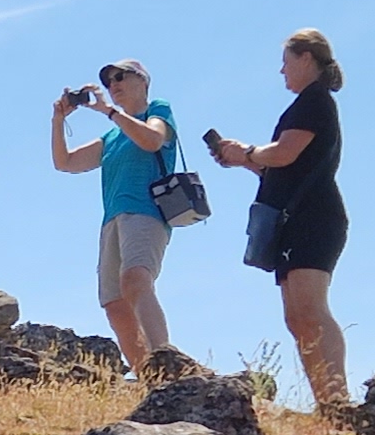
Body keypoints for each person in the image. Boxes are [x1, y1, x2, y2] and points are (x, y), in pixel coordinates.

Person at [204, 27, 351, 405]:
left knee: (310, 309)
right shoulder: (306, 104)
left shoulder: (315, 101)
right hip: (296, 218)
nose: (281, 71)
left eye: (286, 62)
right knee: (297, 315)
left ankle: (337, 400)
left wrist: (249, 151)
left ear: (306, 58)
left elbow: (284, 154)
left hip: (314, 218)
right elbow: (283, 168)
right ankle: (328, 403)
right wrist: (242, 159)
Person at [50, 59, 180, 376]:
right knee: (114, 302)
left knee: (136, 279)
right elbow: (64, 162)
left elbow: (152, 140)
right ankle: (148, 377)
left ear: (143, 81)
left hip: (146, 211)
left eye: (121, 76)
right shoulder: (111, 137)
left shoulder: (157, 111)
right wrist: (58, 121)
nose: (114, 84)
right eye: (109, 81)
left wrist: (109, 111)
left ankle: (166, 362)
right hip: (112, 219)